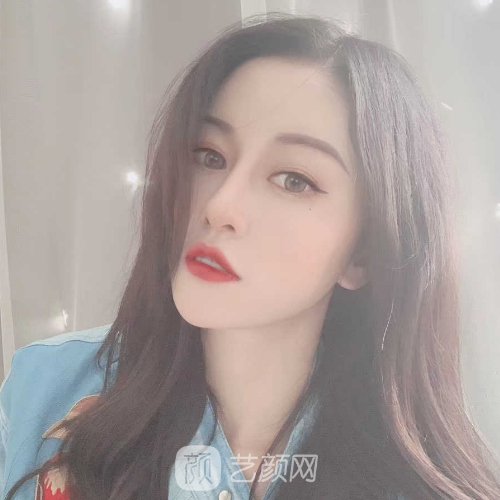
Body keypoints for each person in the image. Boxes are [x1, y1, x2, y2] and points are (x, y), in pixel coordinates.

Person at [1, 12, 499, 500]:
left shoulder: (414, 481)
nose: (220, 206)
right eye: (209, 156)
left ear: (363, 252)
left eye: (293, 180)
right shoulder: (47, 387)